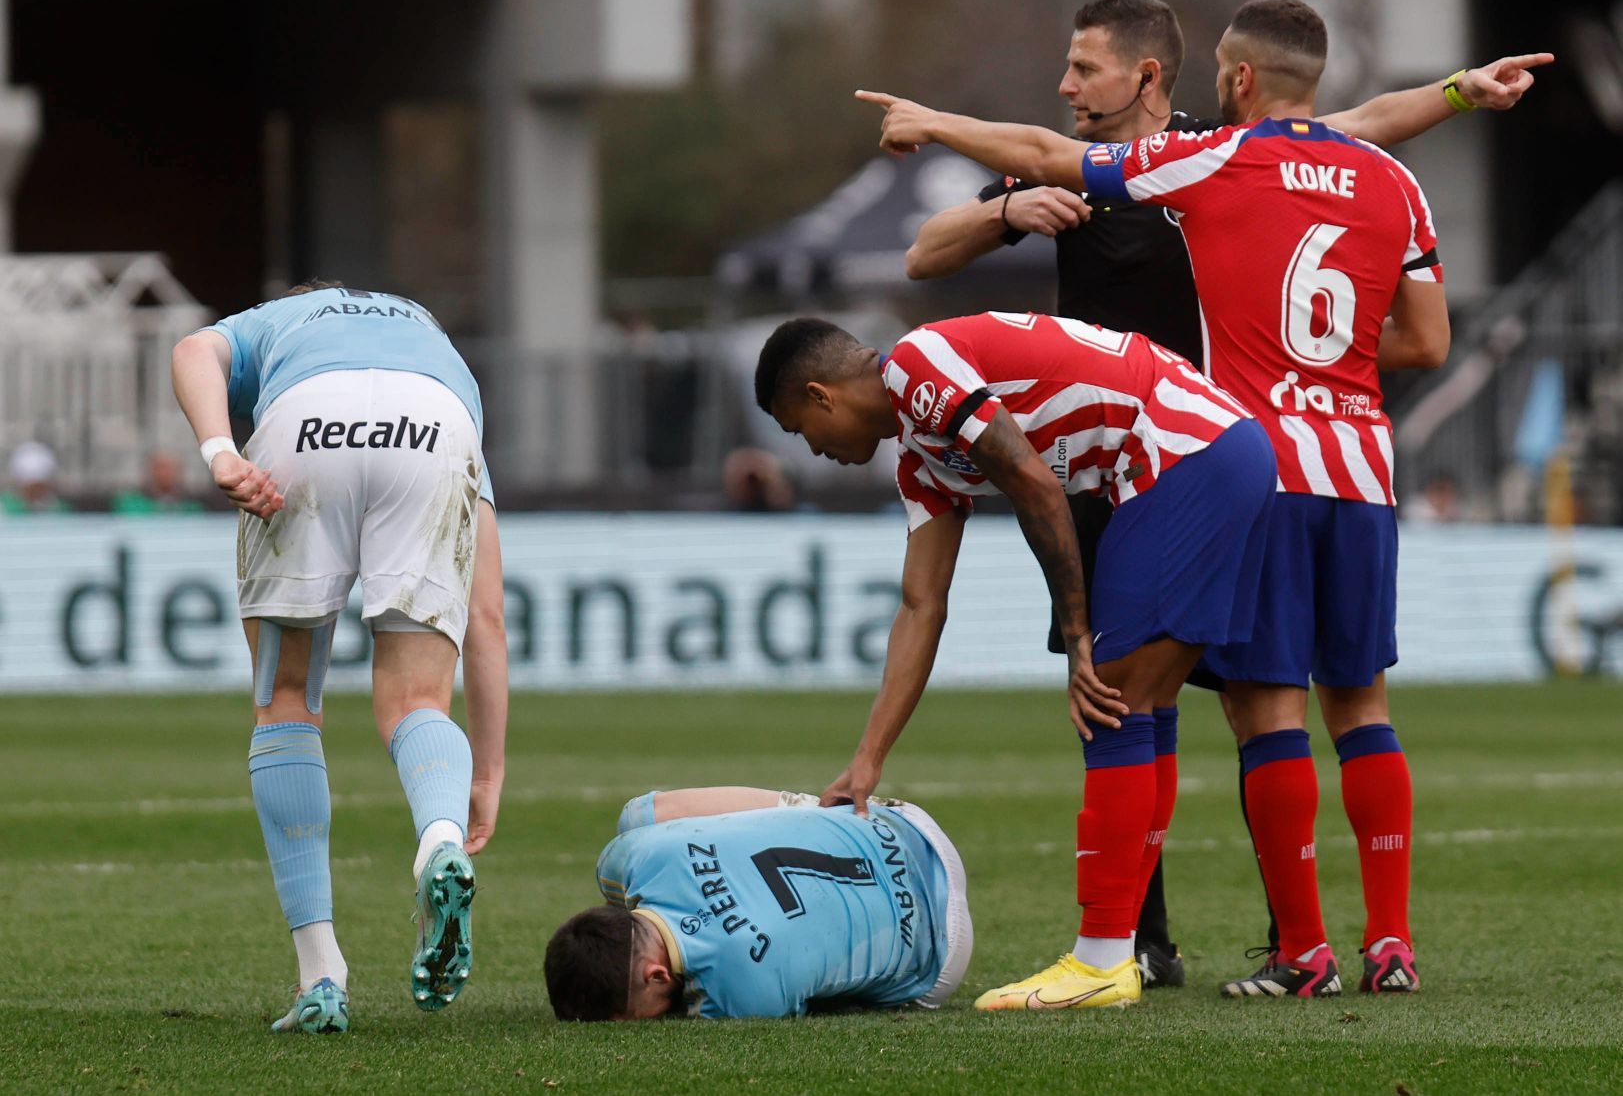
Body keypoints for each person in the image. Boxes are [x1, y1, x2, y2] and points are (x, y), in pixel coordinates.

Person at [903, 0, 1551, 986]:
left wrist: (931, 119)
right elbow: (1425, 338)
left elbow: (1042, 152)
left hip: (1241, 464)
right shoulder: (1390, 181)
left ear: (1235, 78)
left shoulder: (1209, 159)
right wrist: (1324, 346)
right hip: (1363, 467)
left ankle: (1298, 952)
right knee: (1363, 706)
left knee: (1259, 709)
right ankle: (1390, 945)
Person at [755, 311, 1276, 1011]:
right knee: (1138, 704)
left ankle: (1099, 959)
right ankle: (1119, 952)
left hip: (1184, 452)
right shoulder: (921, 457)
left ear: (821, 394)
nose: (810, 449)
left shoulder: (915, 366)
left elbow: (1032, 479)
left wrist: (1078, 636)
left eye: (798, 429)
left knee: (1110, 700)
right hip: (1209, 450)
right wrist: (869, 757)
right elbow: (921, 605)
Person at [170, 280, 509, 1034]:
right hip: (433, 427)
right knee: (416, 702)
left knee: (286, 700)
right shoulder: (435, 345)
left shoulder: (278, 322)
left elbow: (193, 349)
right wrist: (484, 774)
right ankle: (439, 841)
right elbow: (486, 614)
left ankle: (321, 975)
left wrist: (222, 450)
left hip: (304, 424)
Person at [545, 785, 971, 1019]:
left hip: (941, 957)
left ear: (656, 975)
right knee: (640, 816)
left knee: (796, 979)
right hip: (899, 823)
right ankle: (807, 809)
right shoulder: (629, 860)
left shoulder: (736, 998)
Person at [112, 451, 205, 514]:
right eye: (159, 468)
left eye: (169, 469)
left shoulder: (191, 509)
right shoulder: (130, 505)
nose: (163, 474)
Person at [2, 441, 72, 514]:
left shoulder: (61, 510)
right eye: (32, 488)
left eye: (40, 486)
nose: (36, 492)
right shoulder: (4, 509)